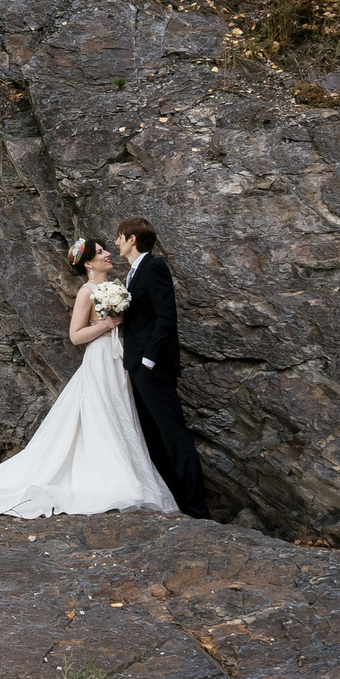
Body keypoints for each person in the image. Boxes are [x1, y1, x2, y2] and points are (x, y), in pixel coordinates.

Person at [0, 236, 179, 518]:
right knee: (102, 413)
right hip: (101, 357)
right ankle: (113, 480)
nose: (107, 254)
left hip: (120, 357)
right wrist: (106, 324)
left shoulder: (115, 287)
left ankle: (127, 474)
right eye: (101, 252)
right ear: (89, 262)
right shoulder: (87, 291)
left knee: (120, 413)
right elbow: (76, 336)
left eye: (106, 249)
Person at [113, 216, 210, 520]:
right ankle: (180, 505)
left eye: (119, 236)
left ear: (132, 239)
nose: (116, 242)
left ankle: (198, 510)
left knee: (174, 437)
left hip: (151, 366)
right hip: (136, 365)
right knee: (154, 440)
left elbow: (166, 317)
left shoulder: (154, 267)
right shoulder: (131, 273)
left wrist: (148, 360)